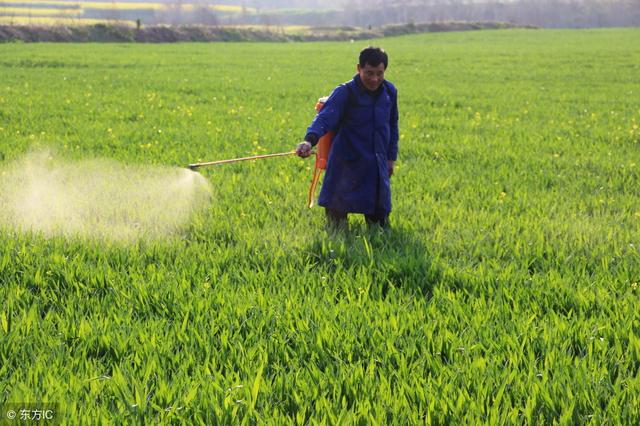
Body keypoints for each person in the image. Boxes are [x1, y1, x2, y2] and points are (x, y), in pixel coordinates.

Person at [296, 46, 399, 230]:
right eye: (369, 73)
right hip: (346, 164)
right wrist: (309, 140)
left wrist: (390, 158)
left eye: (379, 73)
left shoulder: (389, 92)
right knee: (336, 226)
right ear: (358, 68)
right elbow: (325, 118)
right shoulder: (345, 92)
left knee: (379, 227)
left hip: (375, 164)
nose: (374, 79)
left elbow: (392, 125)